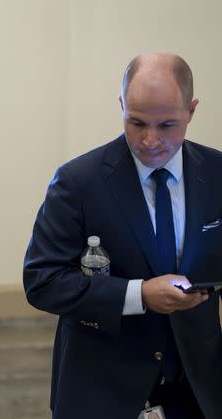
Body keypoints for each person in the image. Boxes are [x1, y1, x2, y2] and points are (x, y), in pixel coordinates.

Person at [24, 52, 222, 418]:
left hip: (198, 388)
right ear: (121, 106)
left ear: (192, 112)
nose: (150, 140)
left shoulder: (217, 173)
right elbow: (41, 281)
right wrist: (138, 295)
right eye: (136, 123)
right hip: (102, 388)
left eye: (167, 125)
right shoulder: (77, 182)